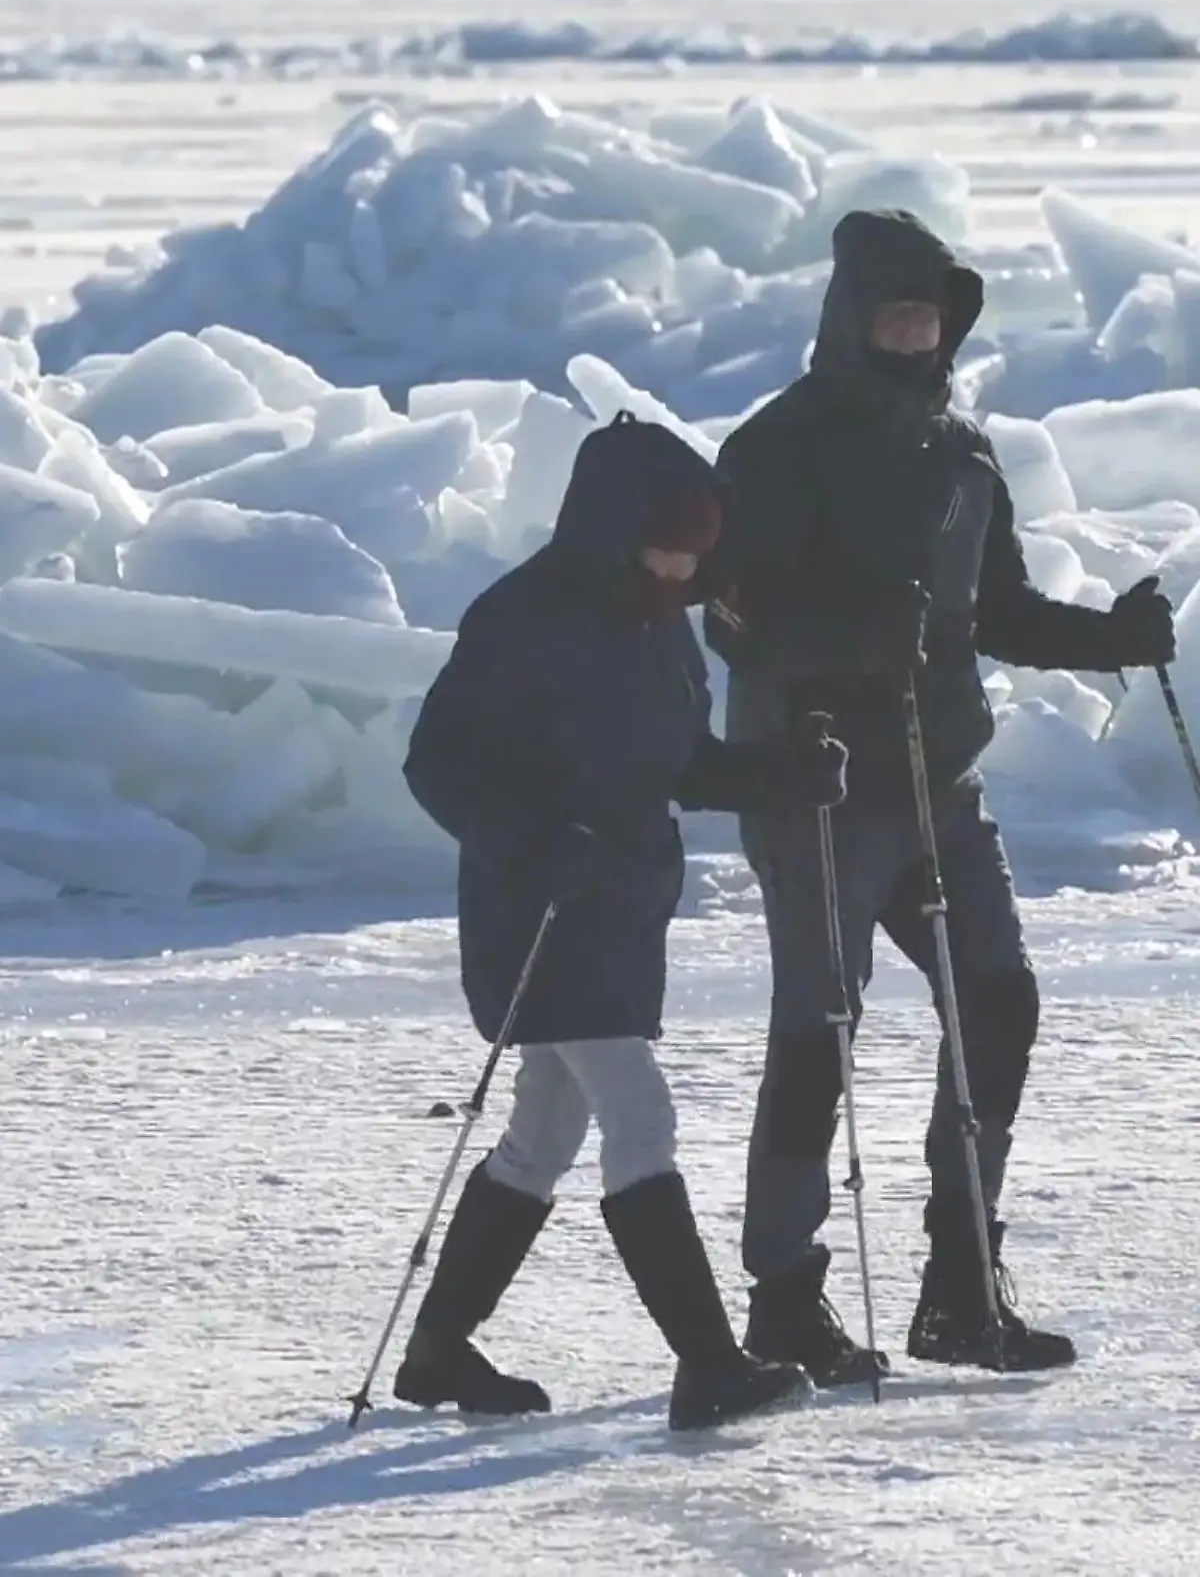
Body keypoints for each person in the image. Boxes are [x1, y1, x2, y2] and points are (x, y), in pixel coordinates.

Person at [705, 207, 1176, 1383]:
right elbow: (734, 624)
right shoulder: (777, 449)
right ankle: (783, 1300)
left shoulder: (962, 452)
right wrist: (850, 641)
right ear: (850, 319)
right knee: (818, 1034)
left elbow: (995, 614)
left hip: (940, 787)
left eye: (931, 318)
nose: (915, 337)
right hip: (816, 789)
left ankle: (962, 1285)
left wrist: (1109, 638)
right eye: (895, 317)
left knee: (1000, 1002)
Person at [393, 410, 848, 1431]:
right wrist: (531, 842)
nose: (683, 570)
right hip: (540, 912)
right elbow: (437, 764)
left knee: (543, 1133)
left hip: (623, 911)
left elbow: (682, 764)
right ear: (611, 529)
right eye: (666, 548)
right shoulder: (521, 618)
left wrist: (787, 775)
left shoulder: (660, 625)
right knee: (639, 1121)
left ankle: (437, 1349)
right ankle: (710, 1365)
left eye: (697, 554)